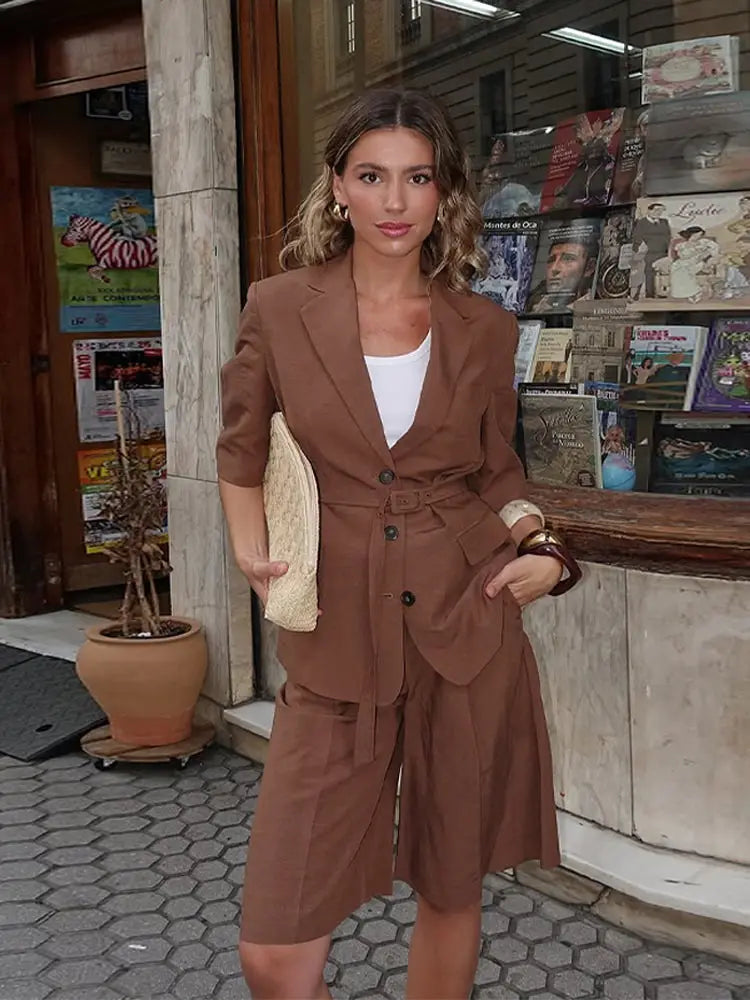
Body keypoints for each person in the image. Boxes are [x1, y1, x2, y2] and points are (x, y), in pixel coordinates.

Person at [216, 88, 580, 1000]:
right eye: (372, 176)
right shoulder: (280, 306)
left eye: (417, 179)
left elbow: (497, 474)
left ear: (442, 192)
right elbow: (240, 448)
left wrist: (545, 547)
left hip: (466, 623)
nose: (394, 201)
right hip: (335, 636)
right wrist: (255, 555)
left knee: (452, 884)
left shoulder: (483, 327)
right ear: (338, 186)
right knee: (273, 952)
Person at [526, 235, 598, 312]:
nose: (554, 268)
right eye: (551, 260)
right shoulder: (530, 306)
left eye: (568, 259)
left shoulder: (598, 308)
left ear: (589, 268)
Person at [631, 202, 672, 298]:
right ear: (649, 211)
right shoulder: (642, 223)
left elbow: (669, 237)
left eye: (661, 210)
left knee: (664, 274)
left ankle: (662, 293)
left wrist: (669, 251)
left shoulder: (664, 222)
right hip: (649, 254)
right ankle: (650, 294)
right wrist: (637, 252)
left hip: (663, 253)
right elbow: (636, 238)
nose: (659, 212)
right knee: (649, 273)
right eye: (656, 210)